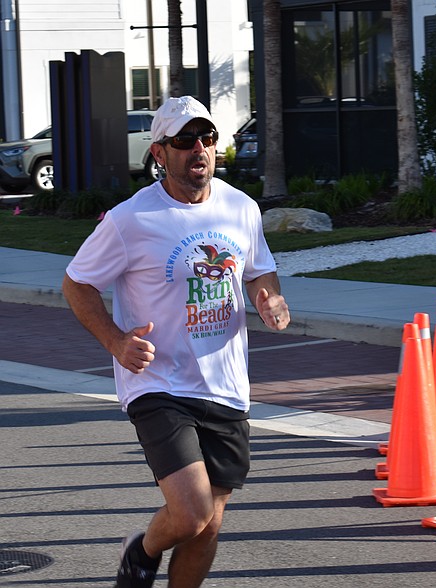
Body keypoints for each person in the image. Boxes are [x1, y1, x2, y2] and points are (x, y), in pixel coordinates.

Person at [62, 96, 290, 588]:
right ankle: (140, 552)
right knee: (190, 512)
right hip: (159, 382)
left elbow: (259, 270)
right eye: (185, 141)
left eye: (207, 138)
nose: (199, 149)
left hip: (225, 384)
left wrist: (270, 298)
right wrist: (116, 341)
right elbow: (77, 283)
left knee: (207, 528)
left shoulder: (240, 207)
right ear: (160, 152)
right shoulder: (130, 219)